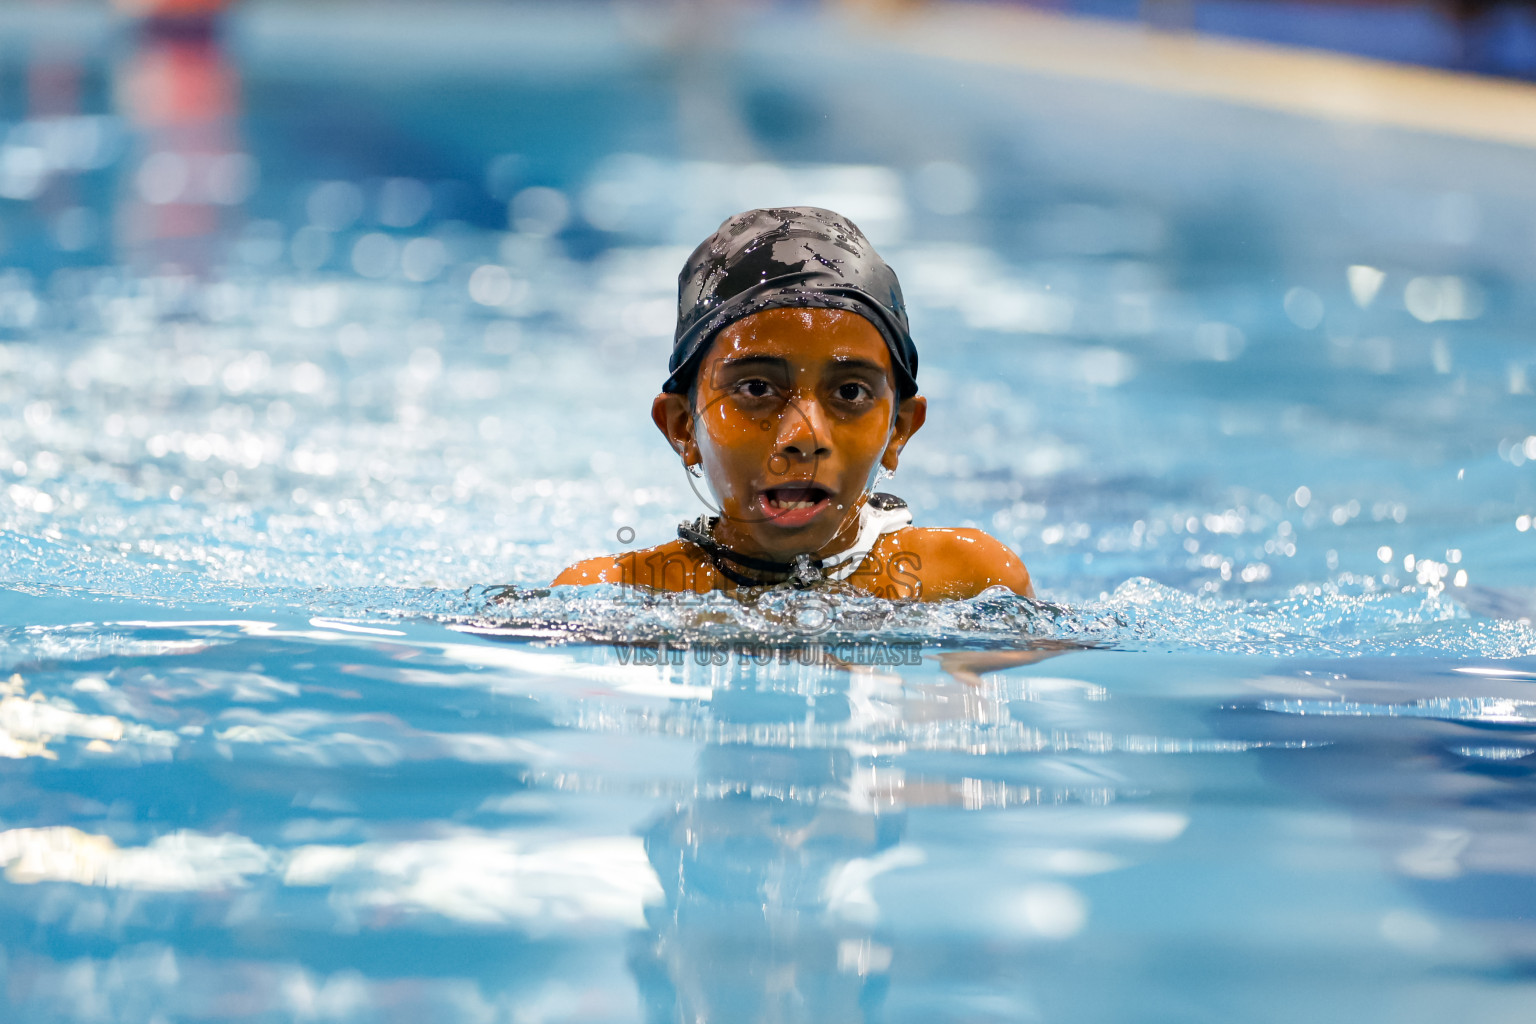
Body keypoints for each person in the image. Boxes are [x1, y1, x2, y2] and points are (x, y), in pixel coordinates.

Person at [554, 206, 1032, 602]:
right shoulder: (611, 595)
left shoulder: (969, 584)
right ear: (682, 427)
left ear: (900, 429)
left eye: (849, 393)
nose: (804, 436)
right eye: (757, 390)